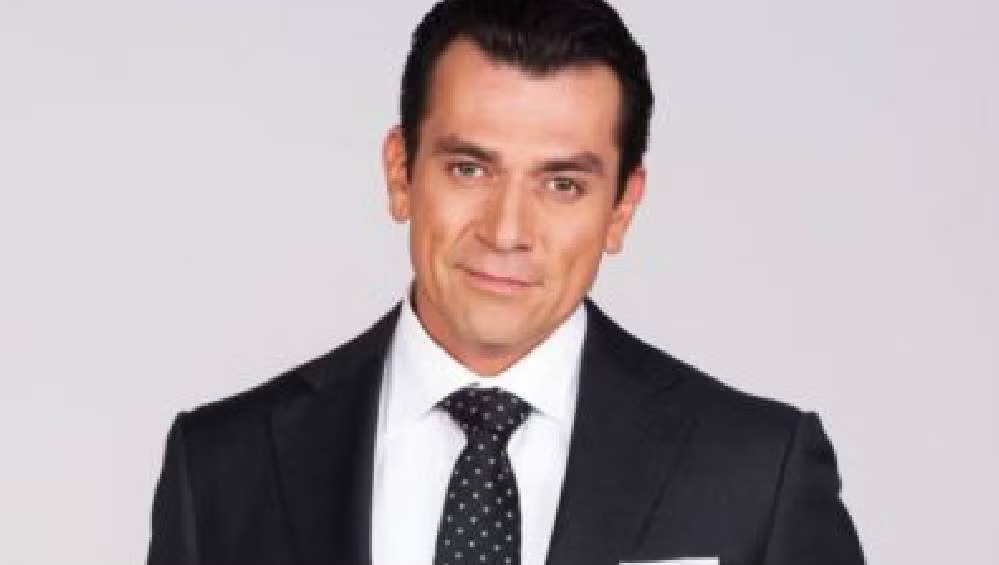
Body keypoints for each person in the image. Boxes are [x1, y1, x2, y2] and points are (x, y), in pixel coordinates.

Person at [146, 0, 865, 564]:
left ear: (622, 208)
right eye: (469, 169)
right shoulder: (220, 470)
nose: (507, 230)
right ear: (400, 172)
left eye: (562, 184)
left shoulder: (757, 473)